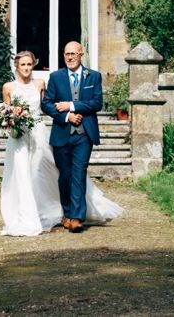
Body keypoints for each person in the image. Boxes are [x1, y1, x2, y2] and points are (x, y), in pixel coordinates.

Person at [0, 50, 121, 237]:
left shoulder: (41, 83)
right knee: (30, 174)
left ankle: (76, 216)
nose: (25, 68)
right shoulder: (8, 87)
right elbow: (8, 112)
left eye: (29, 64)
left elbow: (48, 105)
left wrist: (70, 108)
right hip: (19, 137)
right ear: (16, 66)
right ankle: (27, 214)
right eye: (22, 64)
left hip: (39, 133)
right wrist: (11, 119)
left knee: (45, 172)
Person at [41, 40, 103, 233]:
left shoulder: (93, 76)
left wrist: (71, 105)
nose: (69, 57)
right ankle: (67, 212)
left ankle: (77, 217)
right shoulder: (56, 77)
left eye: (73, 54)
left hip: (84, 134)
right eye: (66, 54)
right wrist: (67, 116)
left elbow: (96, 103)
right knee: (65, 176)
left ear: (81, 54)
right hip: (61, 133)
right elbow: (47, 104)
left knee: (79, 173)